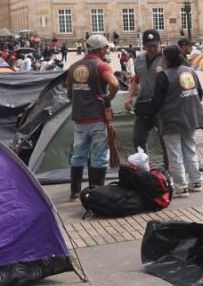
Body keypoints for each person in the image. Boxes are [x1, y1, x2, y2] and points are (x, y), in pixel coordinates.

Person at [65, 35, 119, 201]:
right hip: (97, 117)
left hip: (80, 118)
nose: (107, 51)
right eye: (106, 48)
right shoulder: (101, 66)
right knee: (100, 156)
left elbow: (68, 93)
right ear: (101, 49)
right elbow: (115, 84)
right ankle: (97, 191)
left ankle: (74, 191)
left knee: (78, 155)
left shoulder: (73, 67)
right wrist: (109, 97)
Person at [149, 45, 203, 197]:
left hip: (171, 119)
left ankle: (181, 186)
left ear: (166, 58)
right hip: (190, 117)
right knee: (190, 149)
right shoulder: (190, 71)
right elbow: (200, 93)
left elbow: (157, 101)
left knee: (175, 153)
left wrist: (149, 114)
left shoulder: (164, 76)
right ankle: (196, 181)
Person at [125, 29, 166, 160]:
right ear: (143, 46)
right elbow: (135, 79)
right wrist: (130, 97)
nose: (152, 49)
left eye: (155, 45)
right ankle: (145, 167)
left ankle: (169, 169)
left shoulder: (166, 59)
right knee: (138, 139)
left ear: (161, 43)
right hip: (143, 104)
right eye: (149, 46)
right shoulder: (139, 59)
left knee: (165, 139)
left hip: (161, 106)